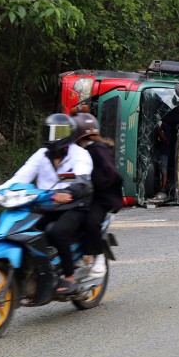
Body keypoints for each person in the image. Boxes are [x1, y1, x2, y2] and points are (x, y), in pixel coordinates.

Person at [0, 114, 93, 294]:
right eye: (49, 131)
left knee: (56, 232)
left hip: (73, 205)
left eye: (58, 131)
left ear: (69, 134)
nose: (52, 135)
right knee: (19, 230)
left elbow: (83, 182)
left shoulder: (80, 155)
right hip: (46, 204)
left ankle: (69, 276)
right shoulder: (41, 155)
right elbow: (21, 176)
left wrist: (68, 192)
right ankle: (30, 269)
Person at [72, 111, 123, 277]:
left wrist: (92, 184)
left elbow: (111, 175)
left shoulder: (97, 150)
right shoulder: (72, 151)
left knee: (90, 221)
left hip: (100, 198)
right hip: (77, 194)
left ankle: (98, 256)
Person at [154, 117, 172, 192]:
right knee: (159, 169)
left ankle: (163, 188)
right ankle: (160, 187)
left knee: (164, 169)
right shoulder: (158, 128)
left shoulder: (166, 127)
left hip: (164, 152)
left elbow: (167, 141)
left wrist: (159, 132)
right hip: (158, 151)